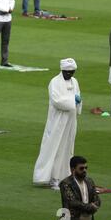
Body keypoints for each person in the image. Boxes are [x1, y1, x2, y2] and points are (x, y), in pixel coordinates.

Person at [33, 58, 82, 190]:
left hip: (70, 120)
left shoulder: (75, 81)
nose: (70, 75)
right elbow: (56, 101)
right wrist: (73, 100)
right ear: (62, 70)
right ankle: (52, 178)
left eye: (72, 72)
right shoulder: (55, 82)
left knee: (67, 148)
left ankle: (64, 177)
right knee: (55, 148)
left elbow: (78, 97)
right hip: (57, 121)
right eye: (68, 72)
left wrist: (78, 102)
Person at [60, 156, 101, 220]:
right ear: (73, 169)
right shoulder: (66, 183)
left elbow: (97, 199)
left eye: (86, 168)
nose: (84, 170)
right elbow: (73, 202)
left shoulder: (89, 181)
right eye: (81, 168)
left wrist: (95, 205)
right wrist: (91, 207)